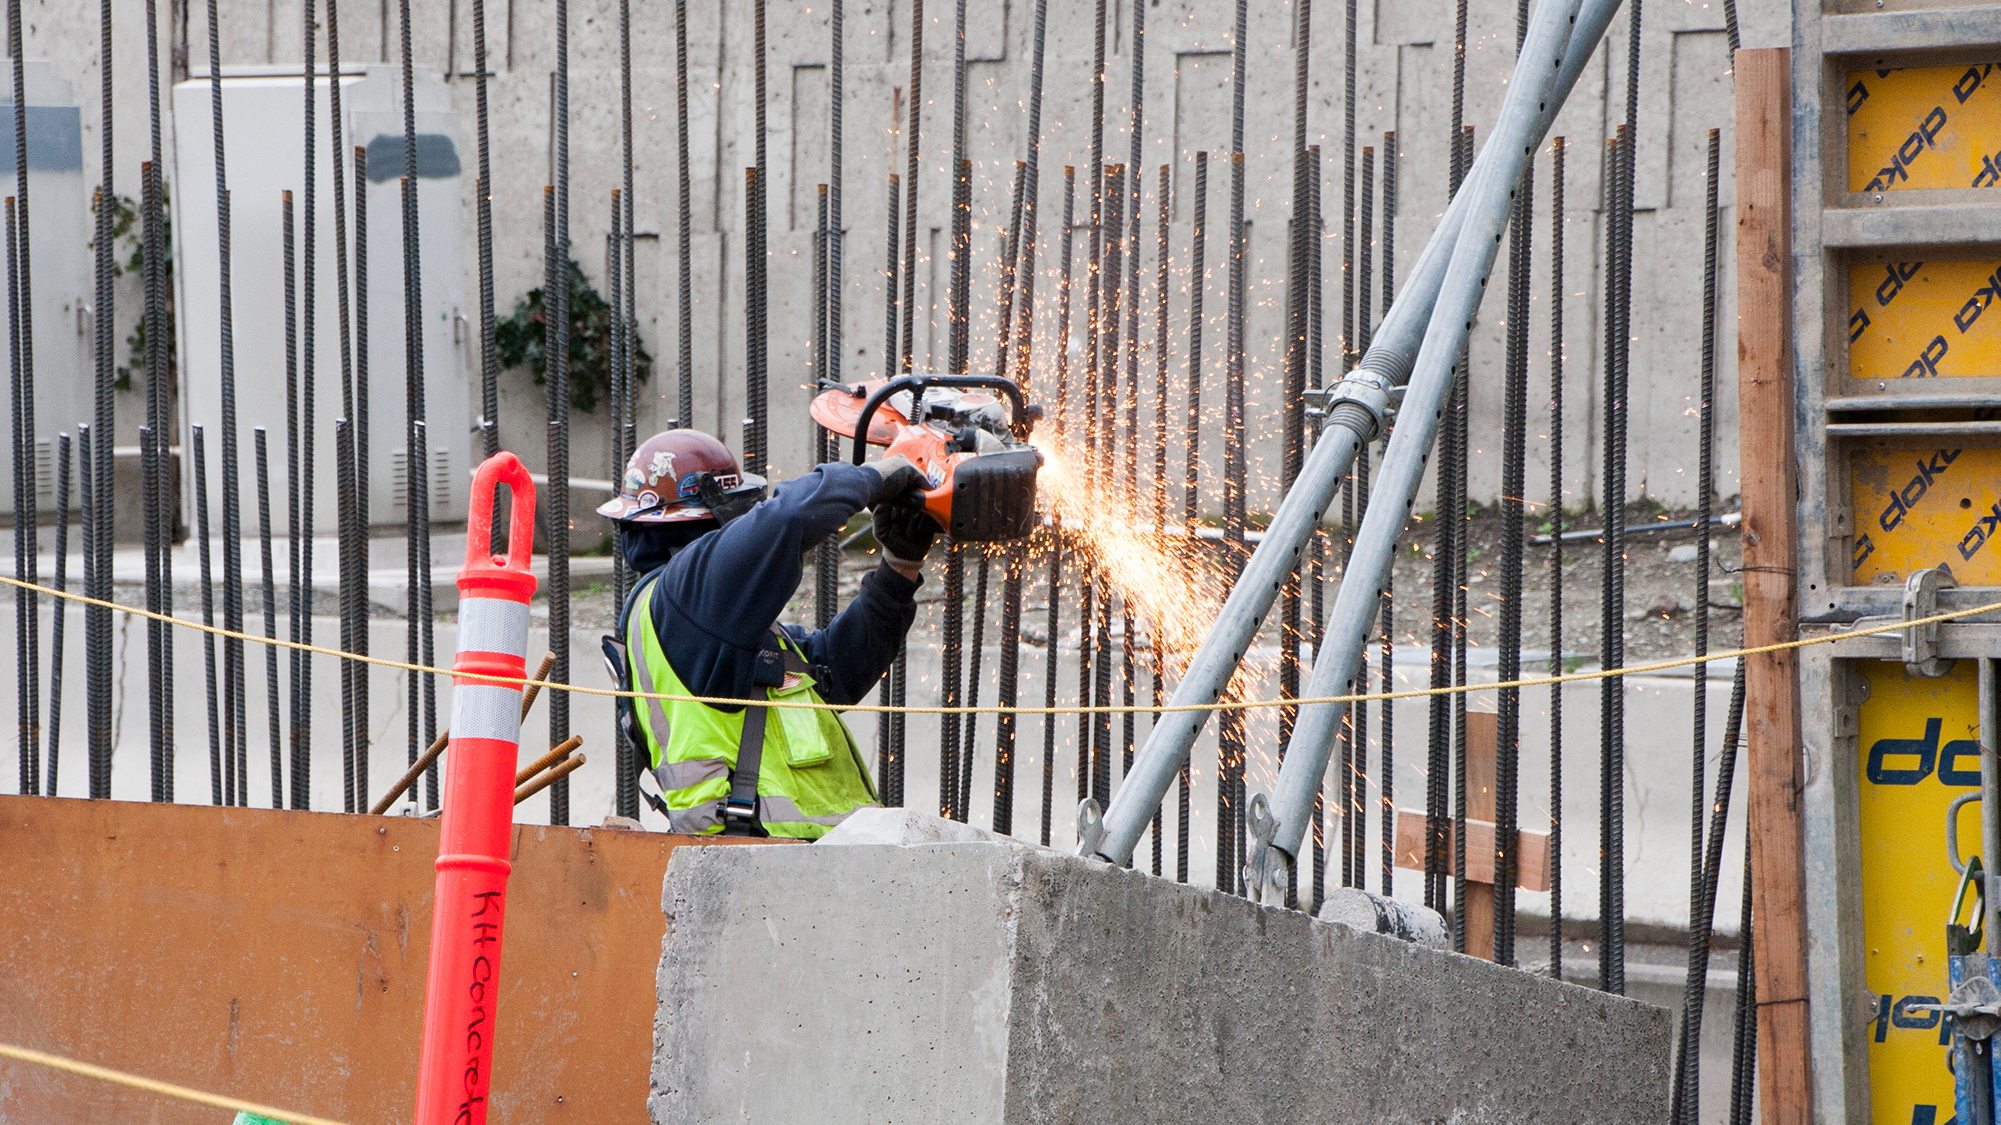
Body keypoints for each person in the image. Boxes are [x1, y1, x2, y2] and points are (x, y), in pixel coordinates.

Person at [598, 429, 936, 838]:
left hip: (805, 862)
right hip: (752, 859)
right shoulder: (685, 595)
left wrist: (899, 567)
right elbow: (788, 516)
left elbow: (835, 672)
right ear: (715, 511)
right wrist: (882, 474)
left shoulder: (712, 622)